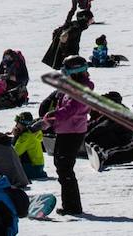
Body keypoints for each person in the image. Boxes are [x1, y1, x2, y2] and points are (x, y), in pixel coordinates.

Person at [46, 55, 93, 215]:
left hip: (72, 132)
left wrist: (53, 116)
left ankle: (73, 207)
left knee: (65, 168)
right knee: (60, 166)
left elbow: (71, 110)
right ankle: (69, 204)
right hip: (65, 131)